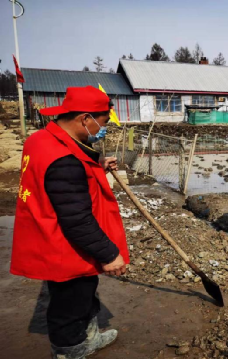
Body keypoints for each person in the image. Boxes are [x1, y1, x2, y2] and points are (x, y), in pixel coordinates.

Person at [11, 86, 129, 358]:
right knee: (71, 302)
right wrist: (109, 254)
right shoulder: (64, 163)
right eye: (103, 122)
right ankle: (71, 349)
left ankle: (87, 336)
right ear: (85, 119)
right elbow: (76, 219)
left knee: (79, 295)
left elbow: (73, 154)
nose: (104, 128)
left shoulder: (42, 139)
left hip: (46, 231)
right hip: (64, 244)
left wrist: (97, 160)